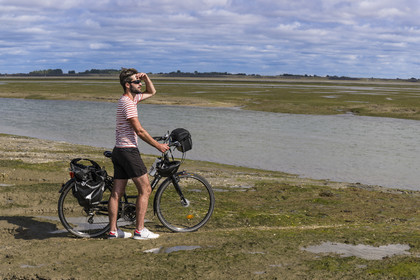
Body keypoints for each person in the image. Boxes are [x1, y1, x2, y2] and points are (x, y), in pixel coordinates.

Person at [108, 68, 169, 239]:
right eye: (136, 81)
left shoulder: (131, 99)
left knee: (116, 193)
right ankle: (140, 230)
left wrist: (146, 77)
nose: (140, 84)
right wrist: (158, 146)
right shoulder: (128, 104)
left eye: (139, 81)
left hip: (119, 150)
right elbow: (140, 131)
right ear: (128, 85)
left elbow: (152, 91)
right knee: (146, 189)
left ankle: (113, 231)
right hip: (128, 151)